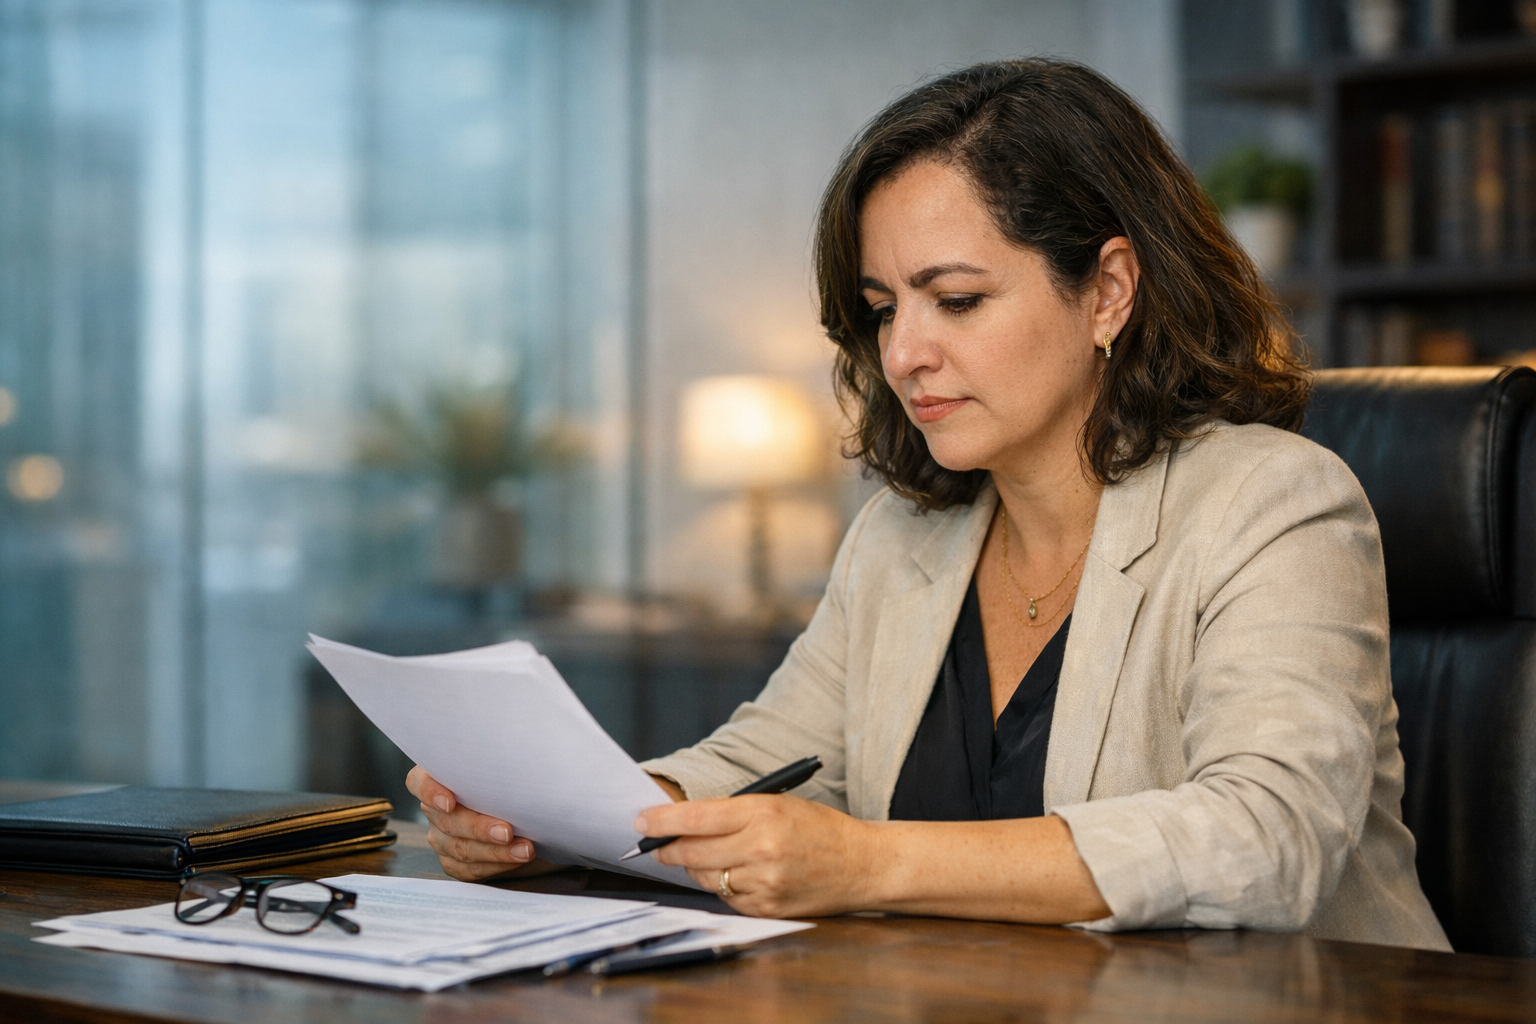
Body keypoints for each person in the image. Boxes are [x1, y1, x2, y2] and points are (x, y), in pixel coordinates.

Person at [406, 58, 1450, 950]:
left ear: (1109, 291)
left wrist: (868, 862)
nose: (904, 352)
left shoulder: (1276, 502)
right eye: (880, 308)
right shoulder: (905, 538)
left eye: (956, 300)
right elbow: (778, 760)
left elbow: (1263, 841)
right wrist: (574, 818)